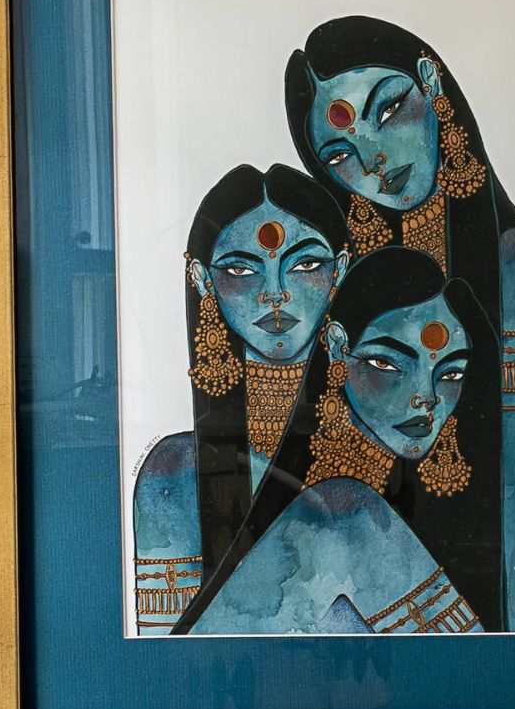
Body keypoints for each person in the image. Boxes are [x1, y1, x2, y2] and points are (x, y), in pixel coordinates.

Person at [277, 12, 515, 633]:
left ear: (429, 82)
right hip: (355, 621)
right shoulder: (341, 288)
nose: (375, 161)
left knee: (346, 524)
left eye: (388, 114)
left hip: (484, 633)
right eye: (340, 154)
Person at [175, 247, 493, 636]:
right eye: (388, 364)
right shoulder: (346, 513)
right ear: (339, 344)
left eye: (451, 374)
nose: (425, 397)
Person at [126, 161, 347, 630]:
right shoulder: (174, 473)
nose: (275, 294)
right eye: (242, 270)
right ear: (203, 280)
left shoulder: (388, 430)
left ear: (340, 272)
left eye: (305, 264)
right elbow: (169, 658)